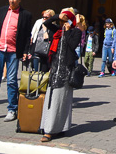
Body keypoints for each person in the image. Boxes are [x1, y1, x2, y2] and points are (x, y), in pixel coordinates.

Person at [40, 8, 82, 143]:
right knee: (51, 98)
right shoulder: (56, 31)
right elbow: (46, 24)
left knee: (62, 99)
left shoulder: (76, 32)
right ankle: (48, 127)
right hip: (54, 69)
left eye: (66, 20)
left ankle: (58, 128)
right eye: (61, 21)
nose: (62, 23)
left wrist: (69, 30)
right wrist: (58, 16)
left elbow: (72, 45)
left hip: (66, 71)